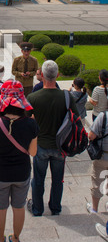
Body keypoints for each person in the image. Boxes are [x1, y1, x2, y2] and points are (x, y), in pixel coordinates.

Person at [0, 80, 38, 242]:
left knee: (0, 207)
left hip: (0, 173)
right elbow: (32, 152)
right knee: (19, 207)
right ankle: (15, 240)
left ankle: (0, 241)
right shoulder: (31, 123)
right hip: (22, 173)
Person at [27, 60, 79, 216]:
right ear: (57, 75)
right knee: (58, 180)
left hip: (41, 145)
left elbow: (26, 122)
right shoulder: (67, 96)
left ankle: (37, 209)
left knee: (38, 179)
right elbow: (76, 118)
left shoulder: (33, 97)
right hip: (60, 146)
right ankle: (55, 208)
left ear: (41, 76)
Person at [86, 111, 108, 214]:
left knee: (97, 182)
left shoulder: (103, 116)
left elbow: (91, 136)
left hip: (103, 156)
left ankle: (94, 209)